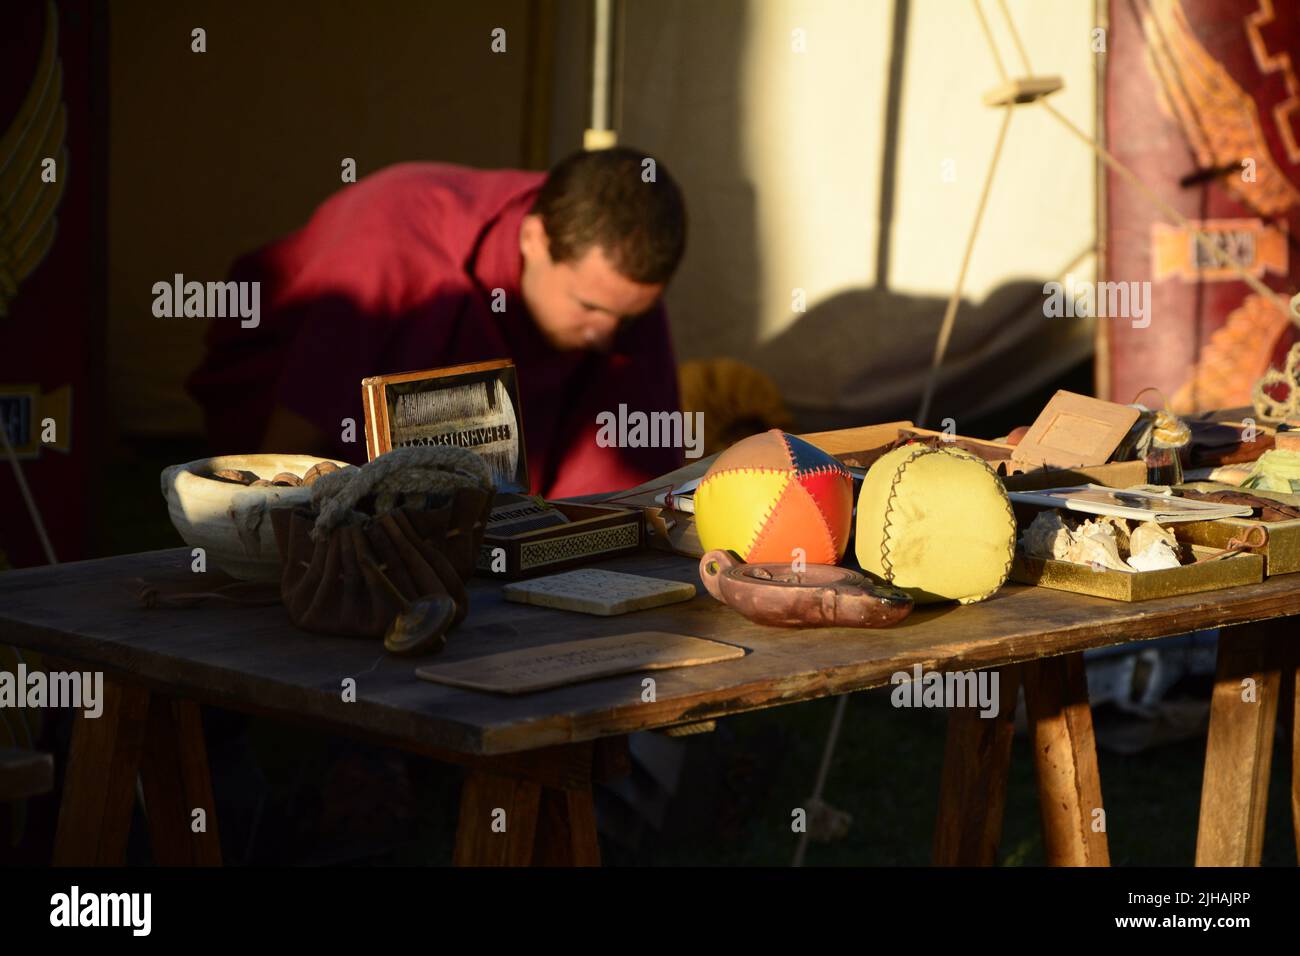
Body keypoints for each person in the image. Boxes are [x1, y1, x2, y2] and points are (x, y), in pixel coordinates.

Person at [187, 147, 688, 497]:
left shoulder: (616, 287)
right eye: (590, 308)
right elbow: (292, 436)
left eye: (628, 316)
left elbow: (640, 481)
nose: (607, 334)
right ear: (534, 238)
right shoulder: (394, 242)